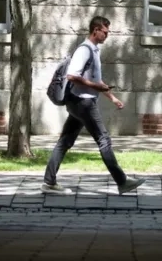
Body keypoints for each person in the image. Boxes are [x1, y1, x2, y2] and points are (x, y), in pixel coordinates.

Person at [42, 15, 146, 195]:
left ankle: (49, 182)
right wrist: (96, 87)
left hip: (79, 102)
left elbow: (96, 80)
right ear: (96, 30)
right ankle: (122, 182)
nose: (107, 35)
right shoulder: (85, 50)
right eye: (105, 32)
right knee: (104, 140)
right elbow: (72, 75)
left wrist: (111, 97)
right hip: (83, 102)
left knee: (65, 141)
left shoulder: (94, 50)